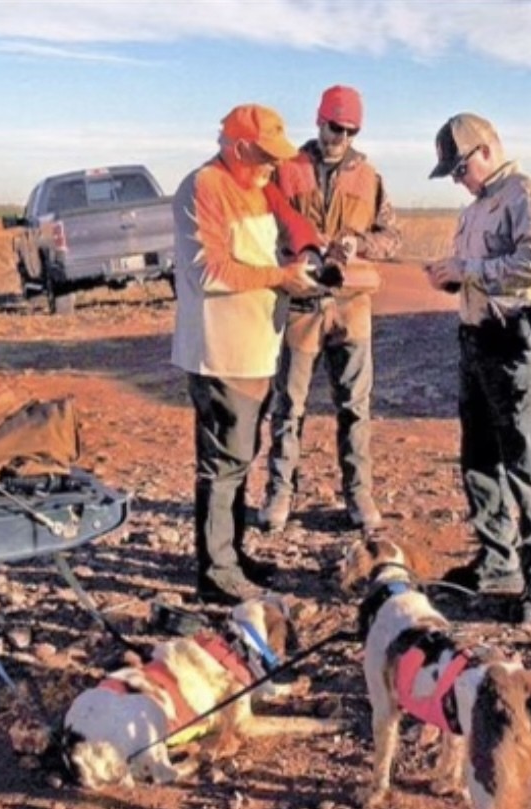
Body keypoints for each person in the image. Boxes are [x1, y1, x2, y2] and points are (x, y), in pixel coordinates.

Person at [171, 104, 324, 605]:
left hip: (255, 349)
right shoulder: (204, 187)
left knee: (238, 460)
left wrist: (306, 254)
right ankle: (216, 573)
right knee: (222, 465)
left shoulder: (257, 184)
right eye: (264, 156)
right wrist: (280, 276)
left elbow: (292, 224)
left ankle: (231, 556)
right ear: (239, 148)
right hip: (221, 354)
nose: (271, 167)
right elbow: (207, 271)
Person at [425, 113, 531, 626]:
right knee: (479, 459)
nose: (459, 180)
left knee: (527, 464)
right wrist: (451, 277)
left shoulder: (528, 196)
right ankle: (497, 561)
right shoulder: (476, 210)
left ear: (485, 150)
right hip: (477, 341)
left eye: (460, 169)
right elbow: (474, 271)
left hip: (516, 346)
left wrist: (472, 272)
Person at [258, 84, 402, 533]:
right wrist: (286, 262)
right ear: (318, 121)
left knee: (354, 406)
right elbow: (264, 228)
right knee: (288, 406)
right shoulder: (287, 169)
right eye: (333, 126)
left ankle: (359, 494)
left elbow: (392, 237)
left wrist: (359, 243)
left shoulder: (369, 176)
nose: (339, 136)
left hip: (351, 307)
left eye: (349, 130)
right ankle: (280, 493)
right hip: (301, 302)